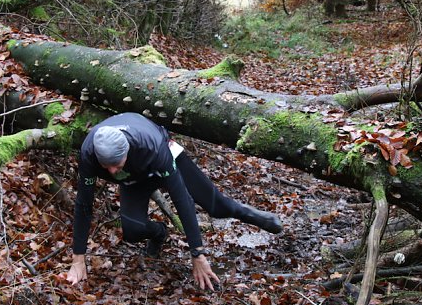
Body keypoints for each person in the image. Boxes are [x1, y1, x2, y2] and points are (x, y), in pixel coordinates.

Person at [66, 112, 282, 290]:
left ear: (127, 151)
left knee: (216, 207)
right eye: (107, 167)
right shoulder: (89, 154)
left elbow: (182, 199)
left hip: (163, 163)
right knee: (132, 231)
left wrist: (197, 252)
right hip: (134, 179)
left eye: (116, 165)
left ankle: (251, 214)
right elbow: (84, 204)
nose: (112, 171)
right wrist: (78, 259)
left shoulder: (151, 147)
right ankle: (160, 233)